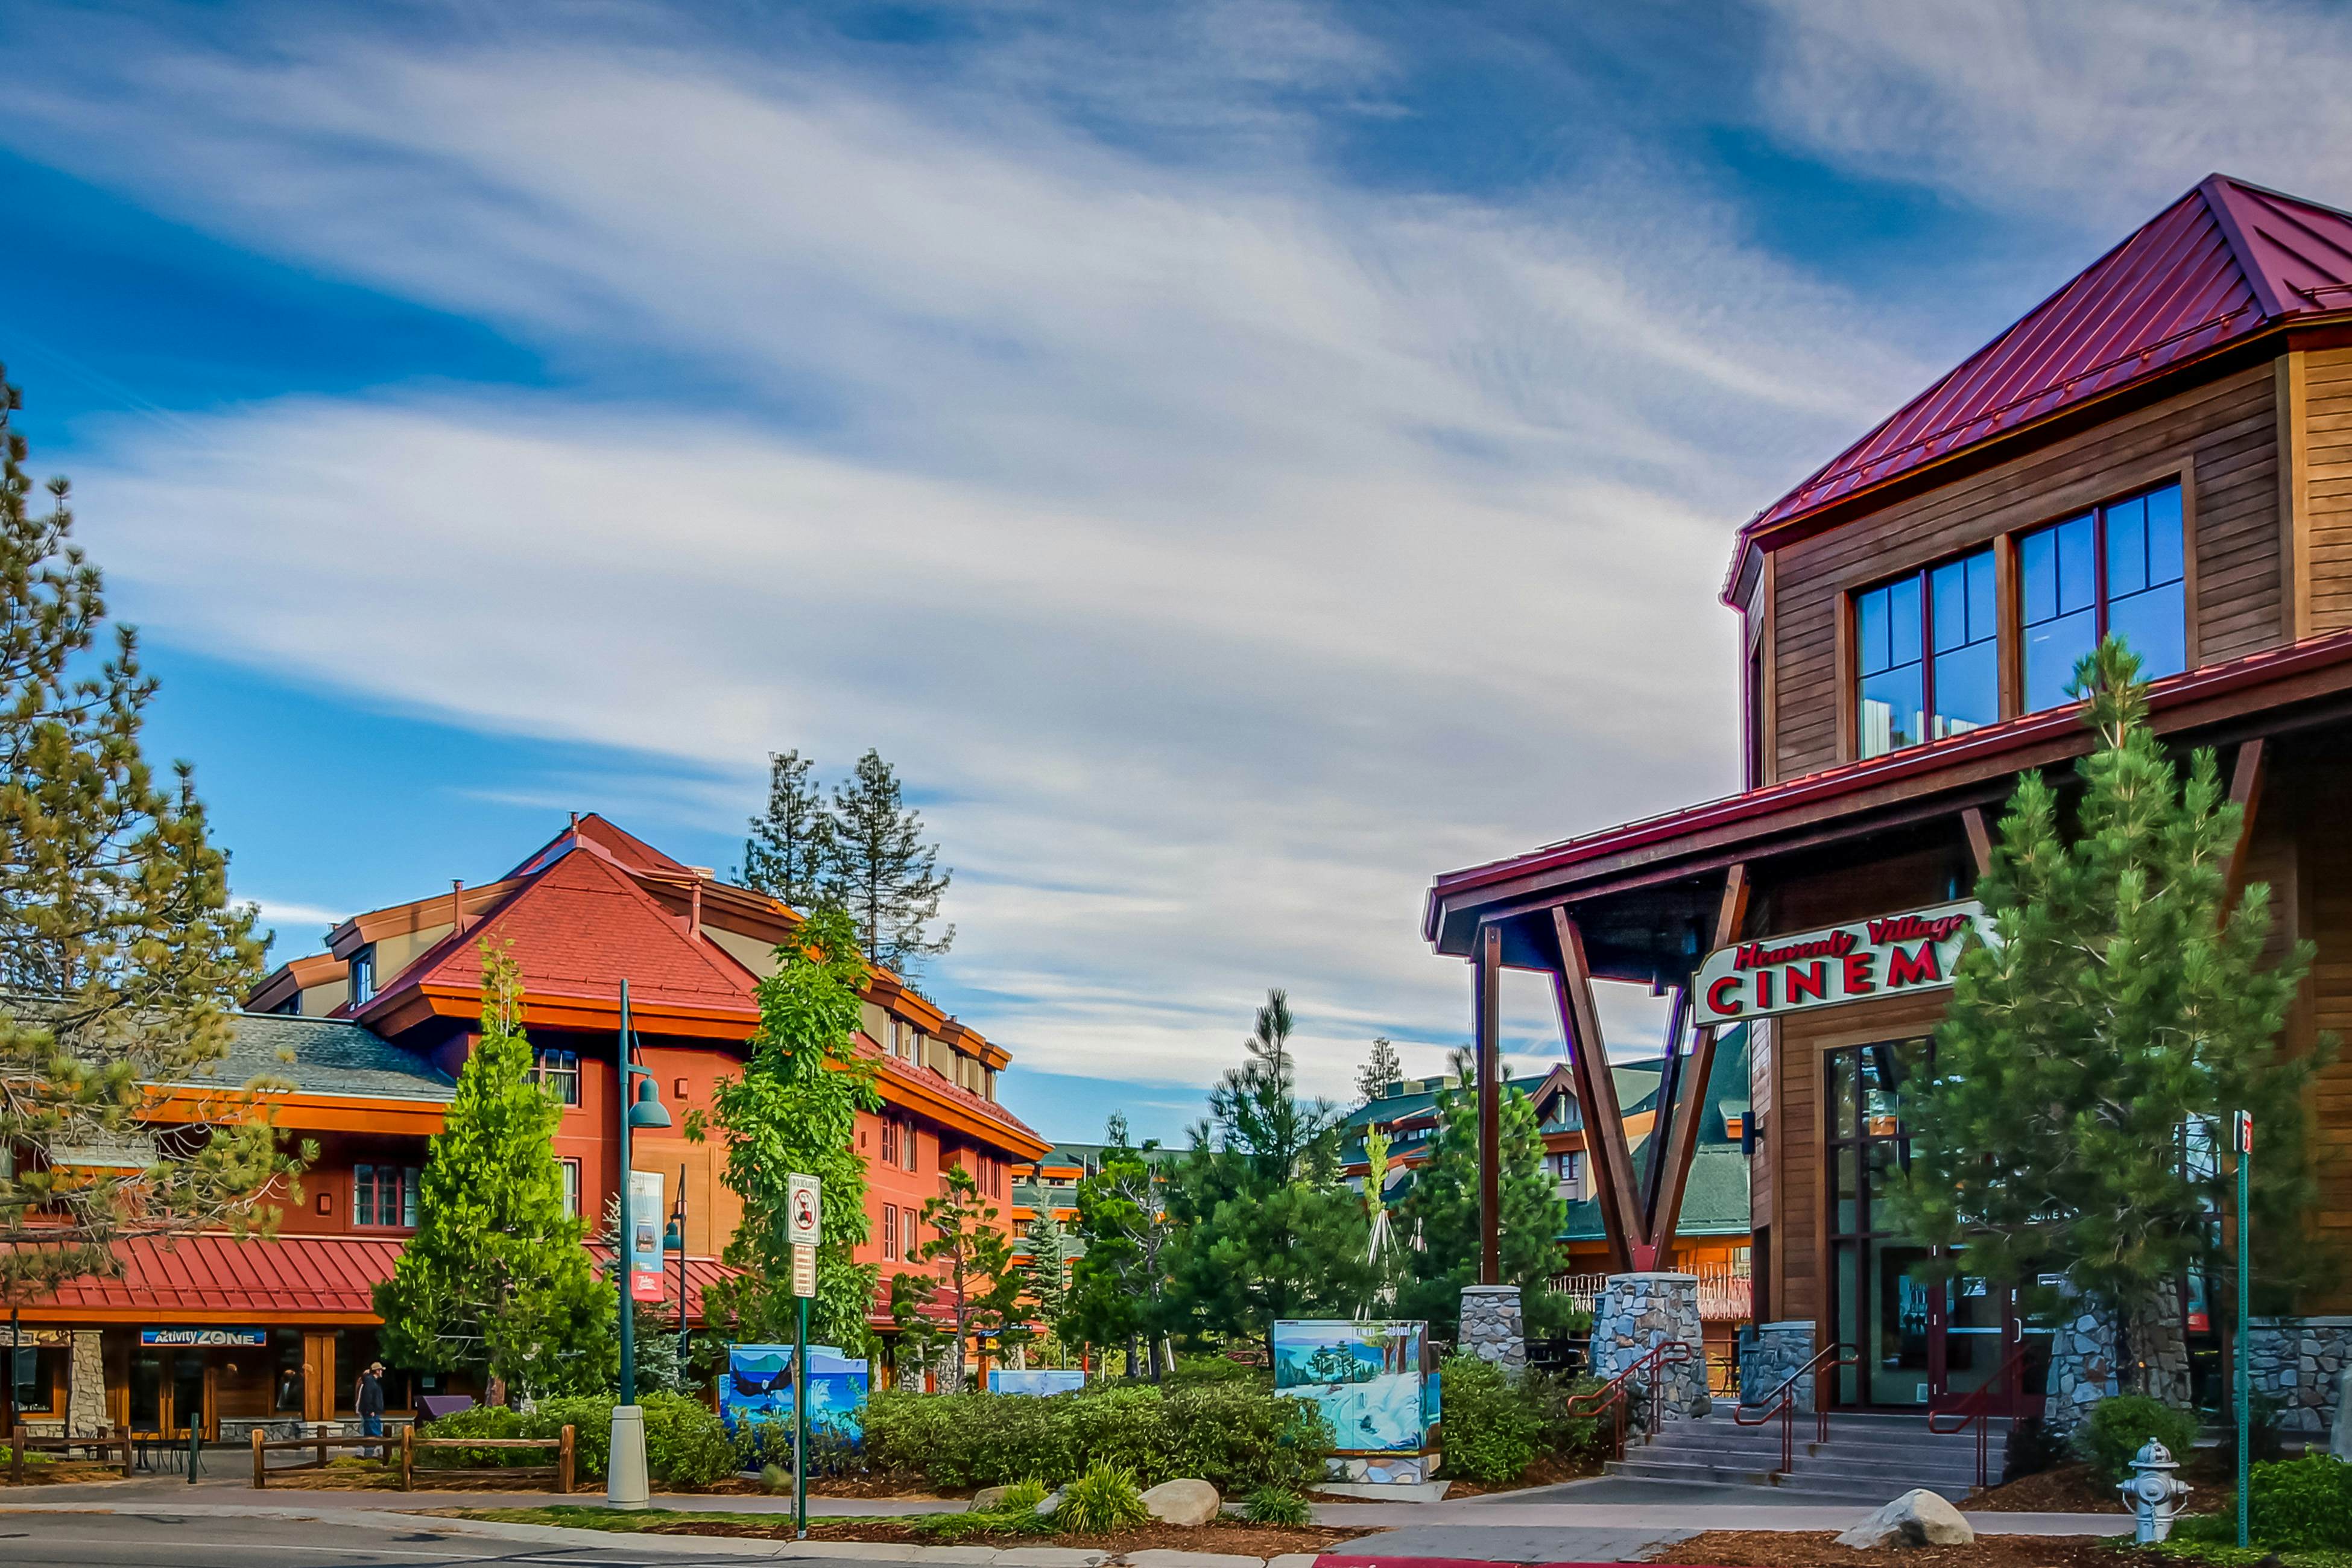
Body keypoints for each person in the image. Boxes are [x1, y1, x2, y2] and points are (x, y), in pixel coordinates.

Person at [356, 1361, 386, 1456]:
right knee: (373, 1435)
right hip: (371, 1413)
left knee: (373, 1434)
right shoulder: (370, 1382)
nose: (382, 1372)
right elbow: (367, 1397)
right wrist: (371, 1410)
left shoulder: (371, 1381)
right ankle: (370, 1457)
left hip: (373, 1412)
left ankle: (371, 1455)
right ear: (377, 1371)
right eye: (381, 1370)